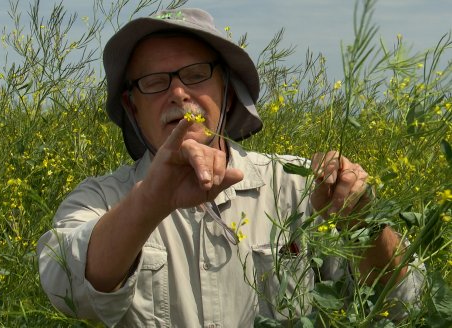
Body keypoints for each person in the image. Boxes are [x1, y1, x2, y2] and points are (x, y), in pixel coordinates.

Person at [37, 8, 423, 327]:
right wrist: (152, 199)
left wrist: (363, 223)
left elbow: (405, 306)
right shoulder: (101, 199)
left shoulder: (298, 186)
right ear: (132, 105)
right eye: (154, 82)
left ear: (226, 88)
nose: (177, 92)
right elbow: (68, 291)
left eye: (195, 75)